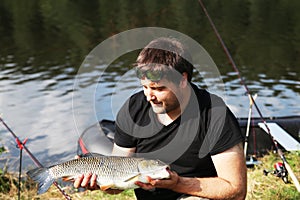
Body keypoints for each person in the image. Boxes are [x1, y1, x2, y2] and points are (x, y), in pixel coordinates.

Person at [74, 37, 247, 200]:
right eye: (144, 87)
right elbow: (118, 181)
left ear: (182, 80)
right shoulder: (133, 109)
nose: (149, 96)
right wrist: (99, 183)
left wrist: (178, 183)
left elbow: (236, 190)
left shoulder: (214, 114)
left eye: (158, 88)